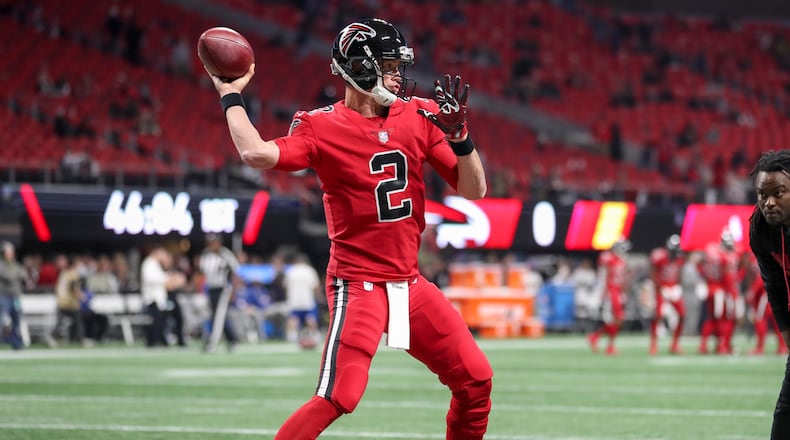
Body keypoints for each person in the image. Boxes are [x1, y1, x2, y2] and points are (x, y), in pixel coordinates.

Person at [205, 17, 492, 439]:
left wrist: (462, 137)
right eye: (390, 66)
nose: (398, 76)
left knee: (476, 381)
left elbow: (475, 189)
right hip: (358, 284)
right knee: (340, 395)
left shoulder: (420, 115)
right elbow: (256, 153)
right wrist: (231, 95)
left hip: (409, 284)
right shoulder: (320, 125)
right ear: (359, 67)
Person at [748, 149, 790, 438]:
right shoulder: (761, 230)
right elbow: (774, 286)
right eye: (763, 195)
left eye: (780, 192)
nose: (769, 202)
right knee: (786, 413)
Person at [588, 237, 630, 355]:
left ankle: (596, 337)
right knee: (616, 319)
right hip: (610, 291)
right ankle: (609, 346)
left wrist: (623, 292)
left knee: (617, 320)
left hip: (617, 291)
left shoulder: (622, 260)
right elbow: (604, 277)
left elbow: (623, 279)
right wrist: (604, 293)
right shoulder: (608, 258)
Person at [198, 233, 240, 352]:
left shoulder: (225, 254)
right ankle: (232, 338)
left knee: (218, 316)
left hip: (223, 289)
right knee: (217, 315)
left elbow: (236, 272)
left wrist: (234, 291)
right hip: (211, 288)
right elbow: (202, 273)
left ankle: (212, 342)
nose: (212, 245)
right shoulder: (205, 255)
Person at [648, 234, 686, 355]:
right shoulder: (659, 257)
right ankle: (653, 344)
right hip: (662, 288)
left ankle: (674, 344)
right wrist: (658, 287)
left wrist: (678, 285)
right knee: (657, 316)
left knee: (682, 315)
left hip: (673, 287)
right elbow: (652, 273)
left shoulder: (679, 258)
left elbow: (679, 273)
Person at [140, 247, 185, 347]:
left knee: (160, 321)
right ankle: (153, 342)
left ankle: (161, 341)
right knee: (156, 322)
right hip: (153, 298)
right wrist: (169, 280)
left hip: (160, 299)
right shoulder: (149, 264)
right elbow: (153, 279)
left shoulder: (156, 265)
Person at [283, 253, 321, 348]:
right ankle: (315, 336)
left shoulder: (291, 271)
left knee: (293, 319)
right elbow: (315, 286)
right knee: (310, 319)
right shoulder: (309, 271)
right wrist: (318, 296)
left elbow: (286, 286)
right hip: (307, 300)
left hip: (294, 300)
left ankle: (292, 338)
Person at [0, 242, 26, 349]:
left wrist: (18, 275)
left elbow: (24, 275)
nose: (10, 255)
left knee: (17, 320)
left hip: (15, 297)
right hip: (4, 296)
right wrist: (17, 275)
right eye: (8, 252)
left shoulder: (16, 264)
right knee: (1, 319)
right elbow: (9, 277)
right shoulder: (1, 265)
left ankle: (17, 343)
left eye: (11, 252)